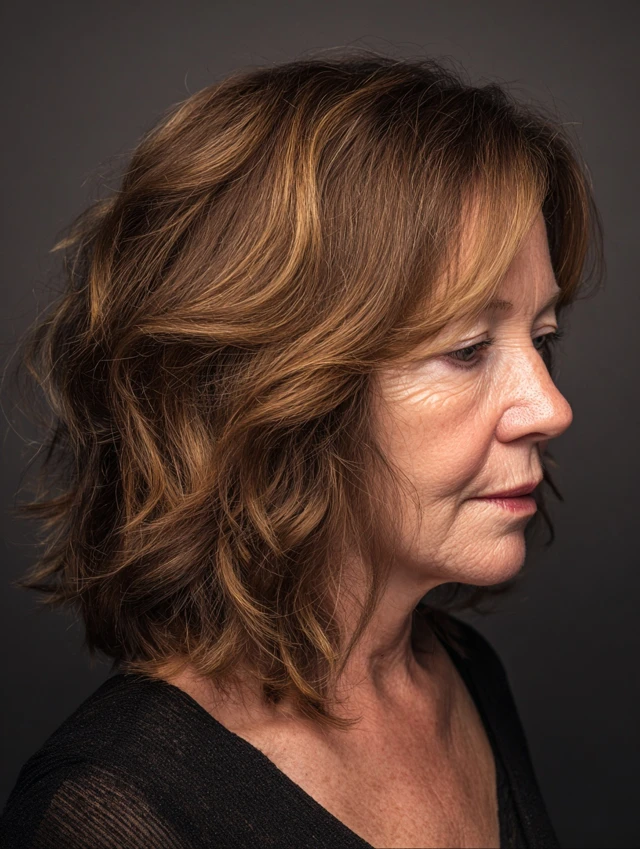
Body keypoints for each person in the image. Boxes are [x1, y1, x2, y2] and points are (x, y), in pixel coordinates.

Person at [0, 50, 604, 848]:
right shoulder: (111, 813)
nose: (552, 408)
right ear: (279, 394)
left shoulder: (464, 670)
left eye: (542, 337)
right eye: (466, 350)